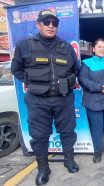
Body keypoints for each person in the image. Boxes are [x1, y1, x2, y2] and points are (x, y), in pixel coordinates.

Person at [11, 9, 79, 185]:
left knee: (67, 131)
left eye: (54, 23)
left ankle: (69, 160)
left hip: (63, 99)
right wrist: (34, 82)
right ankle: (43, 168)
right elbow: (16, 69)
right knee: (39, 136)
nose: (51, 26)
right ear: (38, 24)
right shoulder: (25, 45)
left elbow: (76, 68)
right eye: (46, 22)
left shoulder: (66, 47)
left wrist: (69, 80)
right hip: (37, 101)